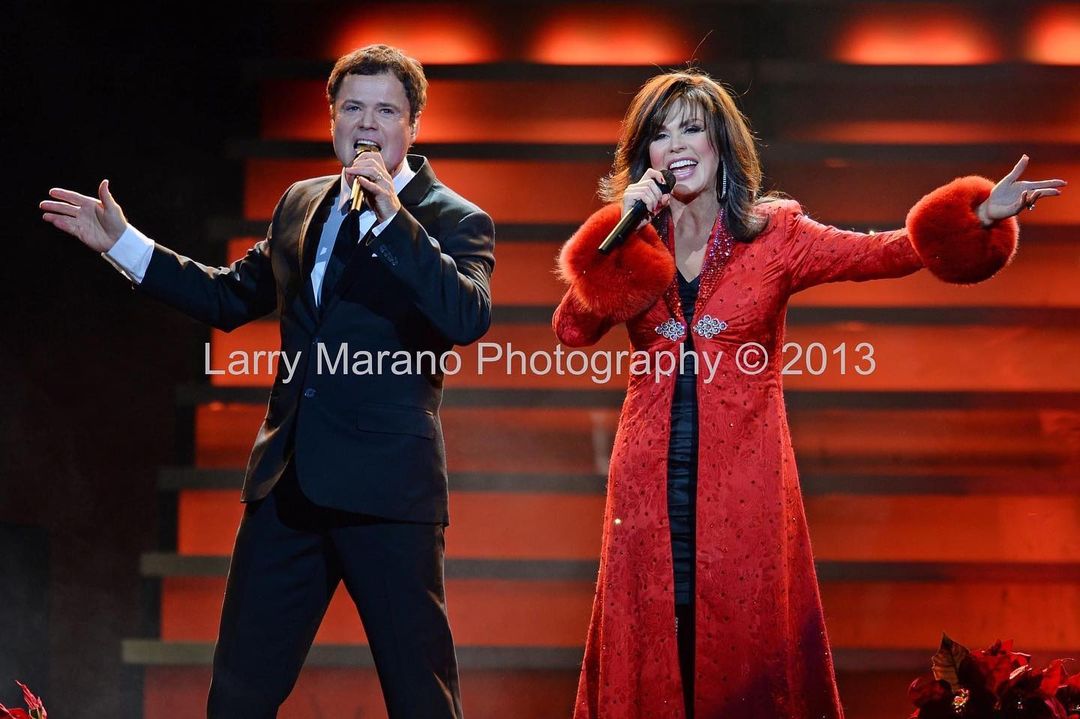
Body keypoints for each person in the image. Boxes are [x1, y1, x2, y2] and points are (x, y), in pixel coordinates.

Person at [552, 70, 1065, 719]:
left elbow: (883, 252)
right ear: (643, 155)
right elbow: (573, 328)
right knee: (653, 628)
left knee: (744, 639)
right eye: (660, 133)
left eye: (691, 128)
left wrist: (981, 214)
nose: (676, 144)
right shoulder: (635, 241)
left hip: (745, 480)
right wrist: (623, 232)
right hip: (648, 478)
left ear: (720, 144)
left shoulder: (776, 234)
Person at [40, 44, 494, 718]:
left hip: (387, 493)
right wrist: (125, 245)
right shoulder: (301, 203)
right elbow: (229, 297)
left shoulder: (453, 217)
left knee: (419, 696)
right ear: (333, 119)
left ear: (413, 124)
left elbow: (466, 315)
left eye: (385, 111)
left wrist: (392, 218)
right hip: (288, 486)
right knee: (238, 696)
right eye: (353, 108)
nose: (367, 124)